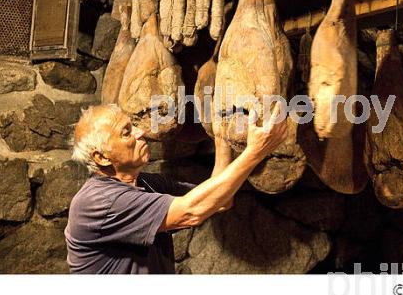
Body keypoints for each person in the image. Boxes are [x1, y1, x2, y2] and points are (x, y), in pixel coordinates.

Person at [65, 103, 287, 274]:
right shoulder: (99, 202)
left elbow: (219, 202)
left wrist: (221, 136)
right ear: (102, 157)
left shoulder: (147, 184)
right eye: (126, 132)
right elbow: (192, 212)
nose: (141, 132)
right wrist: (256, 152)